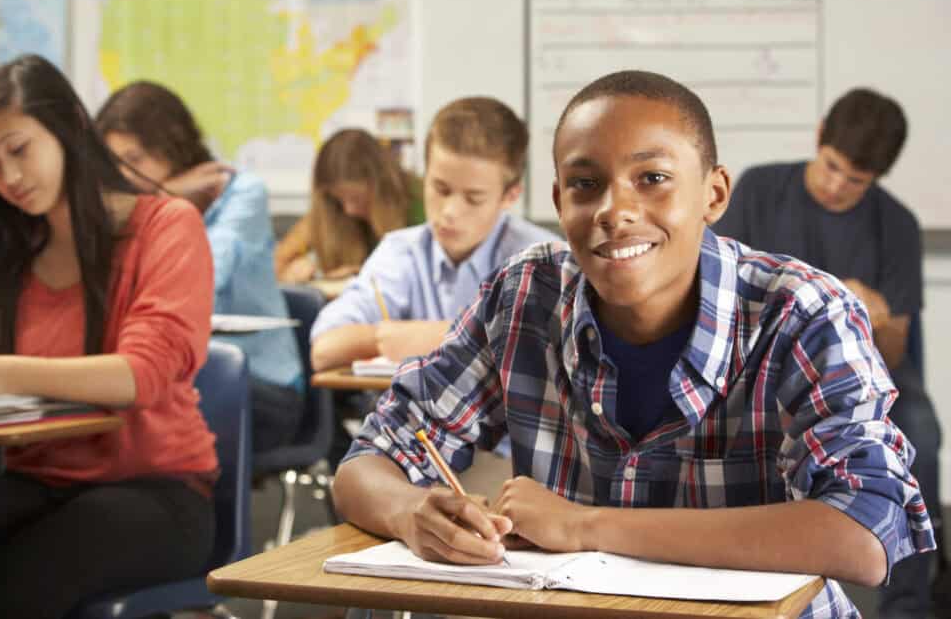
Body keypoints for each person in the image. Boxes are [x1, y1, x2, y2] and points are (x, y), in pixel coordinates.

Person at [331, 71, 934, 619]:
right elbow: (369, 461)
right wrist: (411, 513)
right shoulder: (524, 297)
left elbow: (864, 535)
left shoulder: (804, 314)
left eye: (653, 179)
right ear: (560, 201)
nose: (615, 211)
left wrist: (587, 526)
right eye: (585, 184)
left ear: (715, 195)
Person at [0, 54, 218, 618]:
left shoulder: (166, 226)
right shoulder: (10, 252)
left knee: (12, 589)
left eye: (19, 149)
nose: (8, 178)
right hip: (42, 481)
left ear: (68, 130)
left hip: (160, 491)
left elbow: (143, 373)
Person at [713, 87, 943, 619]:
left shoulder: (898, 225)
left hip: (866, 377)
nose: (838, 186)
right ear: (819, 138)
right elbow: (720, 296)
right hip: (765, 368)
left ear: (878, 178)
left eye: (856, 180)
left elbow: (896, 352)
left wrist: (881, 314)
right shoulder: (760, 188)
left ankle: (907, 606)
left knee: (921, 433)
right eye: (833, 167)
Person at [96, 81, 304, 452]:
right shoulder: (125, 211)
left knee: (149, 413)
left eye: (135, 159)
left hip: (260, 383)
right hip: (181, 378)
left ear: (171, 149)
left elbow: (198, 281)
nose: (124, 175)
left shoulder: (243, 192)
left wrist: (165, 203)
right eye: (114, 163)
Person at [309, 96, 557, 373]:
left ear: (510, 196)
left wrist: (440, 336)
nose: (449, 211)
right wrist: (386, 337)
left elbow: (560, 358)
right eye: (440, 189)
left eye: (473, 198)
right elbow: (324, 349)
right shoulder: (400, 252)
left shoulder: (544, 261)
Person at [275, 128, 425, 283]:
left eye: (356, 198)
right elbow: (279, 263)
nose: (349, 210)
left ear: (379, 186)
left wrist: (363, 275)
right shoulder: (330, 211)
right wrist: (294, 273)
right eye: (339, 200)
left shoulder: (419, 201)